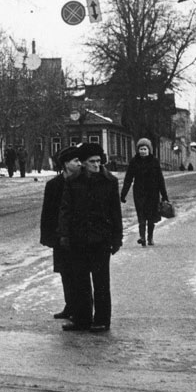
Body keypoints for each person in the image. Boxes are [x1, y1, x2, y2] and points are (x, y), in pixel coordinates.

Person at [57, 142, 123, 332]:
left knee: (101, 282)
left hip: (101, 239)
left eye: (99, 161)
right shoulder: (72, 182)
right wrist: (64, 235)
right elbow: (65, 210)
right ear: (84, 163)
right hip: (78, 238)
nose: (96, 165)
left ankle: (102, 319)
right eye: (92, 161)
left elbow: (115, 212)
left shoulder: (109, 181)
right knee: (80, 281)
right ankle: (82, 318)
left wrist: (117, 238)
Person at [40, 146, 82, 320]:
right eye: (75, 161)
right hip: (60, 235)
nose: (79, 164)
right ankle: (70, 305)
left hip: (78, 234)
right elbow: (47, 212)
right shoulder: (54, 185)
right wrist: (47, 236)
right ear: (66, 164)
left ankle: (81, 307)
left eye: (80, 161)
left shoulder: (83, 182)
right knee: (65, 272)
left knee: (79, 272)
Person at [120, 138, 169, 247]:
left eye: (145, 149)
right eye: (140, 149)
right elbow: (128, 179)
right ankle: (142, 238)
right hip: (139, 193)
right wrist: (123, 194)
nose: (142, 151)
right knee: (141, 216)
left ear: (149, 150)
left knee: (151, 217)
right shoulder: (134, 161)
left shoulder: (154, 161)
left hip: (153, 193)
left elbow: (160, 179)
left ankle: (150, 237)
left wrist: (164, 196)